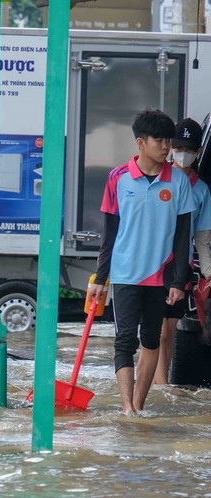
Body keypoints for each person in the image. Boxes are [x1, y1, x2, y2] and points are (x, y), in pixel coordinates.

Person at [89, 109, 195, 413]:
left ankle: (138, 404)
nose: (166, 147)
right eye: (159, 141)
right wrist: (100, 279)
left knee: (151, 341)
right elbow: (108, 236)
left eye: (168, 141)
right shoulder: (118, 178)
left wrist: (179, 280)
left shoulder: (178, 182)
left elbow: (183, 235)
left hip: (159, 275)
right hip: (124, 274)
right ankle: (127, 408)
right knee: (124, 341)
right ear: (140, 142)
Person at [155, 118, 211, 384]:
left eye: (189, 150)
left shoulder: (200, 190)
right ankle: (156, 384)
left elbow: (202, 236)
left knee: (169, 330)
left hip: (180, 267)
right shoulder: (156, 179)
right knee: (155, 331)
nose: (182, 154)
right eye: (178, 148)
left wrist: (207, 274)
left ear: (198, 152)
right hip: (151, 263)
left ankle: (160, 385)